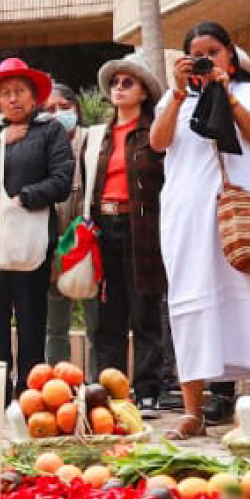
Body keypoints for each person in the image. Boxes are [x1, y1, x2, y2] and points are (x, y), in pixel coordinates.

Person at [151, 23, 250, 437]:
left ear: (230, 55)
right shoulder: (173, 99)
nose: (207, 60)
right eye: (197, 54)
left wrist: (227, 94)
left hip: (247, 215)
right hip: (190, 218)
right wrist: (180, 91)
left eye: (213, 51)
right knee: (194, 303)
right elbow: (158, 142)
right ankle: (193, 411)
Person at [0, 57, 75, 398]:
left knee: (31, 318)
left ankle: (30, 393)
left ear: (33, 96)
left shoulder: (50, 130)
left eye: (19, 91)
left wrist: (26, 197)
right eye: (6, 93)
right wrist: (1, 141)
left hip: (30, 238)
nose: (13, 99)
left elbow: (62, 180)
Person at [86, 53, 169, 411]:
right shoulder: (99, 135)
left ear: (144, 93)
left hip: (143, 226)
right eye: (116, 83)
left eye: (128, 83)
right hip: (103, 226)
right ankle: (108, 389)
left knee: (145, 309)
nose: (119, 89)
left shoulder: (155, 132)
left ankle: (148, 389)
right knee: (107, 315)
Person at [43, 82, 94, 368]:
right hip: (52, 245)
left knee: (96, 323)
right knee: (55, 325)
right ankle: (57, 384)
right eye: (49, 110)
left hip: (89, 244)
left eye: (64, 107)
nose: (58, 114)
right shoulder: (40, 146)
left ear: (76, 108)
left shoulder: (93, 141)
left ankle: (99, 385)